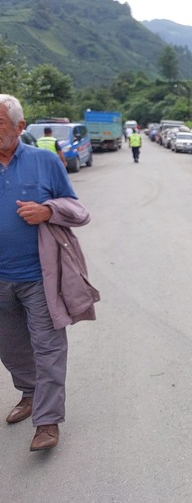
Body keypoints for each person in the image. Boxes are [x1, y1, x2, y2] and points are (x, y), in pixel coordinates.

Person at [0, 94, 98, 452]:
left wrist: (47, 210)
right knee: (10, 349)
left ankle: (47, 421)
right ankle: (29, 394)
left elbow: (78, 209)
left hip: (40, 278)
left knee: (48, 348)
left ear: (19, 127)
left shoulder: (44, 161)